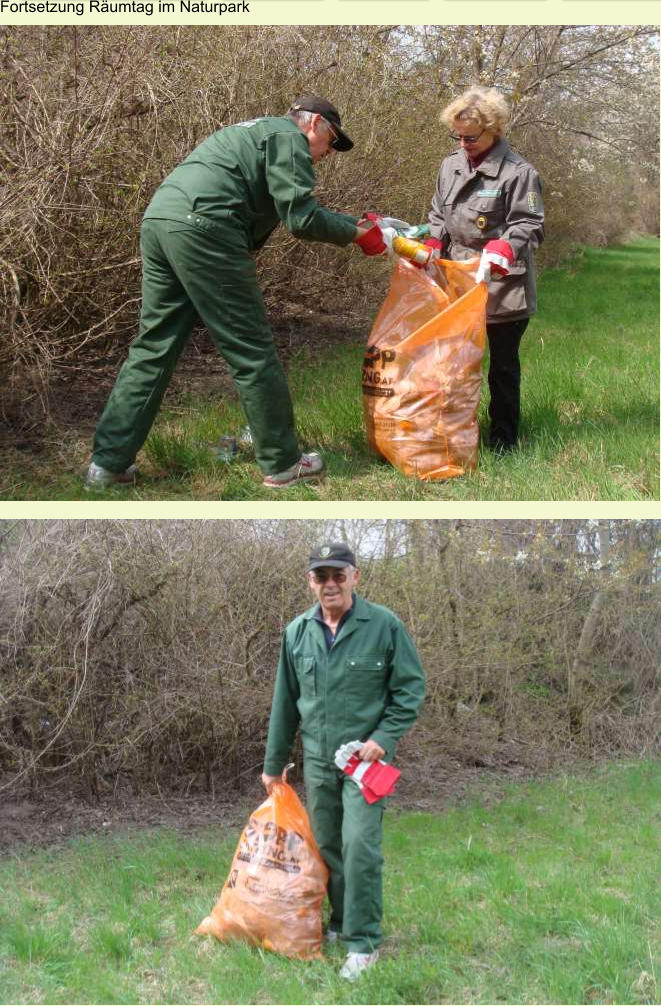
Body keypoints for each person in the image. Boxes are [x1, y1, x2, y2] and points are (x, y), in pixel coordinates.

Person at [85, 96, 388, 491]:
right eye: (330, 141)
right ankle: (283, 463)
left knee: (153, 346)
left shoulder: (256, 131)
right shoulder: (288, 137)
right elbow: (301, 217)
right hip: (205, 228)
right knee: (251, 350)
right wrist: (356, 235)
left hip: (162, 220)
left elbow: (281, 204)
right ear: (313, 123)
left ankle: (107, 467)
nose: (328, 153)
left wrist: (353, 223)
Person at [261, 541, 425, 979]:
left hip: (366, 765)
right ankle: (338, 922)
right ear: (310, 581)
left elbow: (410, 689)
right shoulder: (297, 633)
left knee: (360, 845)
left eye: (339, 574)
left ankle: (364, 941)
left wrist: (383, 738)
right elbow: (285, 702)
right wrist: (273, 764)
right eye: (321, 576)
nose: (330, 583)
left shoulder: (384, 625)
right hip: (317, 762)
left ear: (356, 576)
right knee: (329, 846)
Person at [425, 85, 545, 452]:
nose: (463, 144)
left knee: (503, 369)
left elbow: (530, 224)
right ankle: (459, 433)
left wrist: (503, 247)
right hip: (458, 281)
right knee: (455, 364)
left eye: (471, 137)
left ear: (495, 129)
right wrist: (431, 243)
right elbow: (437, 214)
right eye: (457, 136)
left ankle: (504, 439)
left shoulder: (519, 173)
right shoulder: (450, 165)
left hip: (503, 285)